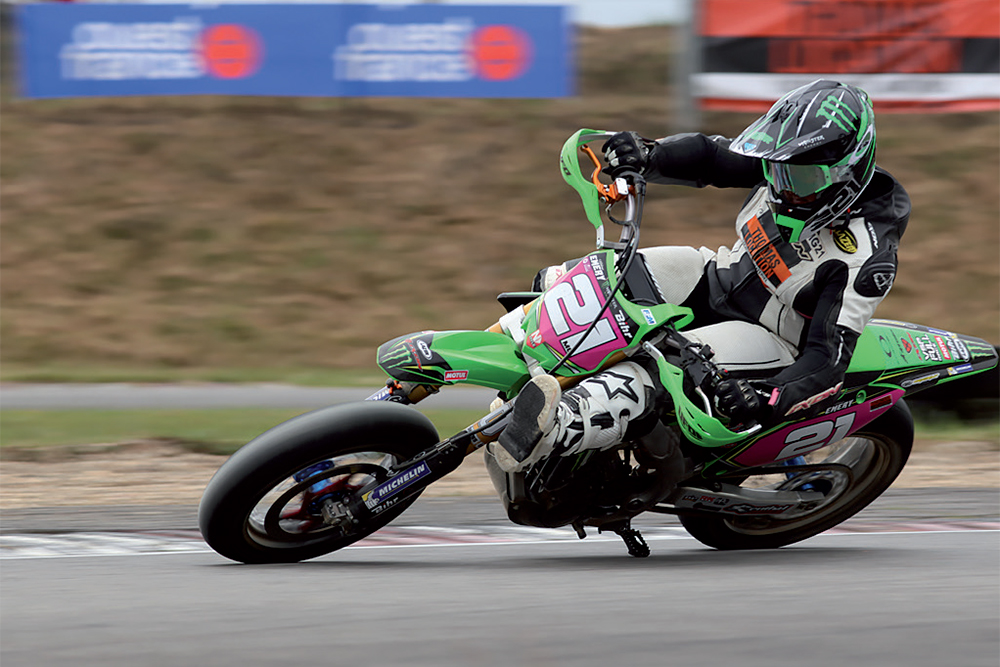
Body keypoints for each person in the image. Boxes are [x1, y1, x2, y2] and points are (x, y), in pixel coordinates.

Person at [493, 79, 910, 474]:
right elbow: (712, 157)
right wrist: (648, 155)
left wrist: (768, 397)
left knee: (655, 365)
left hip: (769, 334)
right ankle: (476, 356)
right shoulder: (787, 167)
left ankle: (550, 429)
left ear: (849, 170)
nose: (784, 188)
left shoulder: (866, 258)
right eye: (776, 170)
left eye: (801, 177)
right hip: (716, 276)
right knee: (576, 280)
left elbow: (827, 362)